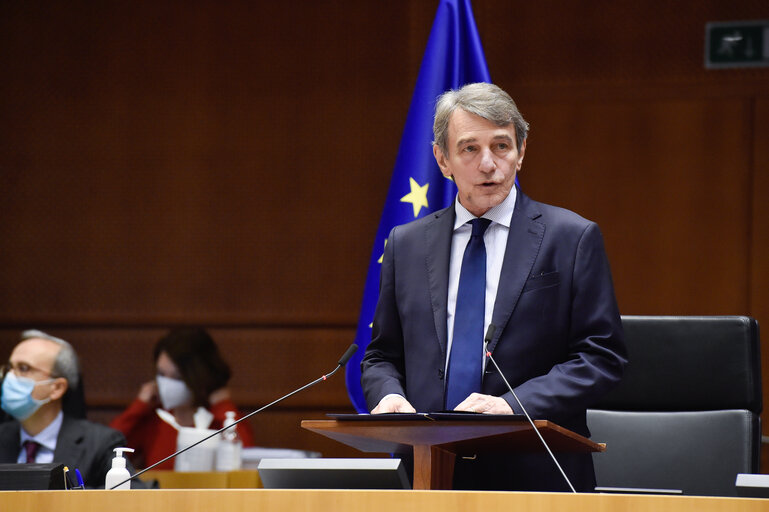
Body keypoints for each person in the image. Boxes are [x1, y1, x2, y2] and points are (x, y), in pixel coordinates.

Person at [360, 82, 628, 492]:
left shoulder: (571, 238)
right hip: (428, 473)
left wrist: (510, 406)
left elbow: (601, 356)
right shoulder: (407, 244)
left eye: (501, 146)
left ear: (521, 153)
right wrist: (389, 397)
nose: (488, 164)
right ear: (442, 159)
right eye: (469, 148)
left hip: (536, 473)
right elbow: (381, 355)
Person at [0, 330, 133, 488]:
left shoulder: (100, 444)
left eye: (23, 368)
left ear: (57, 387)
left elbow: (134, 496)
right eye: (10, 368)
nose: (9, 378)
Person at [110, 327, 255, 469]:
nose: (166, 383)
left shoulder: (219, 420)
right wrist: (139, 406)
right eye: (161, 374)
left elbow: (245, 460)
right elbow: (107, 451)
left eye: (177, 377)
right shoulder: (154, 420)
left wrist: (222, 406)